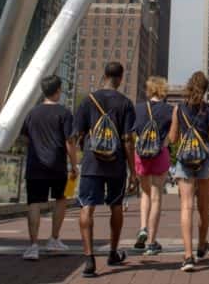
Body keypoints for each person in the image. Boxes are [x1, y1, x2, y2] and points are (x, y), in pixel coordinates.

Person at [72, 62, 137, 278]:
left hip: (92, 163)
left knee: (87, 207)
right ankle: (112, 252)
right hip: (116, 164)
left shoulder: (88, 101)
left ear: (104, 75)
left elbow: (77, 134)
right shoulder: (126, 103)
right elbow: (128, 140)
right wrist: (133, 171)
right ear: (120, 78)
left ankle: (89, 259)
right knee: (116, 206)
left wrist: (78, 159)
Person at [174, 71, 209, 272]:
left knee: (186, 207)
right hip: (205, 160)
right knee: (204, 207)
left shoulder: (179, 109)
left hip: (184, 161)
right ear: (205, 90)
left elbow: (172, 138)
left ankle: (188, 256)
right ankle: (202, 244)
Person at [20, 74, 76, 261]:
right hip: (57, 165)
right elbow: (70, 142)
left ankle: (33, 245)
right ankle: (54, 238)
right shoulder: (64, 113)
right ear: (58, 90)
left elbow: (24, 138)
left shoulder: (32, 113)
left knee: (34, 203)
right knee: (61, 200)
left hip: (35, 166)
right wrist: (74, 165)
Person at [132, 76, 178, 256]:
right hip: (160, 154)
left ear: (149, 90)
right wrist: (164, 141)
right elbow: (173, 136)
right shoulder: (170, 110)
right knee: (157, 196)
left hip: (141, 154)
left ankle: (143, 227)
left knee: (144, 193)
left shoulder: (138, 108)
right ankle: (151, 242)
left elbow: (134, 131)